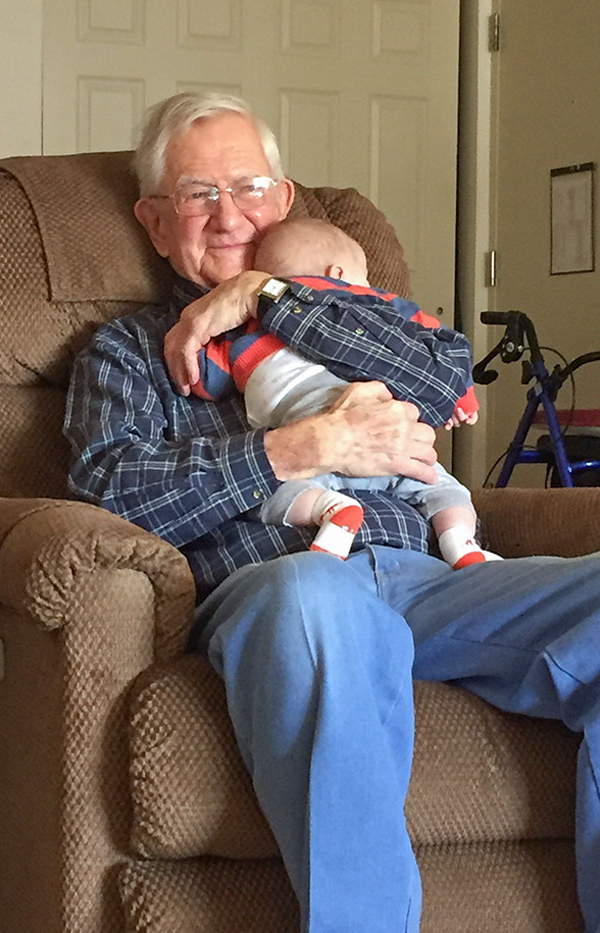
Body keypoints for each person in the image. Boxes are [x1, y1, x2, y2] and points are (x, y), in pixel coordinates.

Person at [65, 91, 600, 933]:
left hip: (436, 581)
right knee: (315, 606)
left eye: (247, 186)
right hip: (283, 579)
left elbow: (442, 372)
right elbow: (110, 487)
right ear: (157, 223)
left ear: (281, 200)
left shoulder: (355, 312)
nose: (227, 212)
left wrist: (266, 297)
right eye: (197, 195)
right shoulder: (132, 350)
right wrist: (299, 448)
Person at [190, 216, 493, 566]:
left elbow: (205, 378)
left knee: (269, 495)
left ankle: (330, 509)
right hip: (392, 443)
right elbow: (437, 347)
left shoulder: (245, 330)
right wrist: (462, 396)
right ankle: (460, 542)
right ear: (337, 273)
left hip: (309, 443)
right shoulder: (381, 304)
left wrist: (194, 344)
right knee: (443, 486)